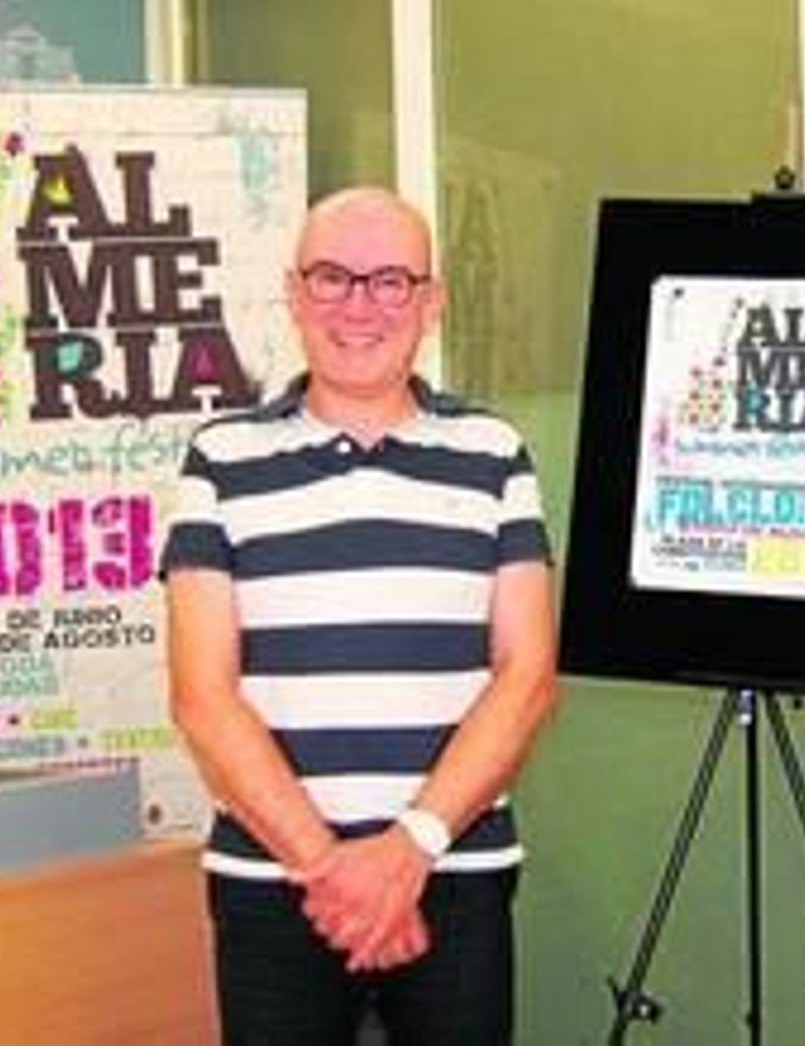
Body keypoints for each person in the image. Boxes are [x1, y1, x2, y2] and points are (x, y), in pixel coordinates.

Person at [161, 186, 558, 1045]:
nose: (359, 306)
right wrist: (327, 867)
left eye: (390, 282)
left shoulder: (494, 454)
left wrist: (409, 846)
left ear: (432, 301)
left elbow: (526, 677)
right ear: (294, 293)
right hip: (273, 882)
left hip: (455, 869)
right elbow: (201, 696)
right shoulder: (220, 458)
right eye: (332, 277)